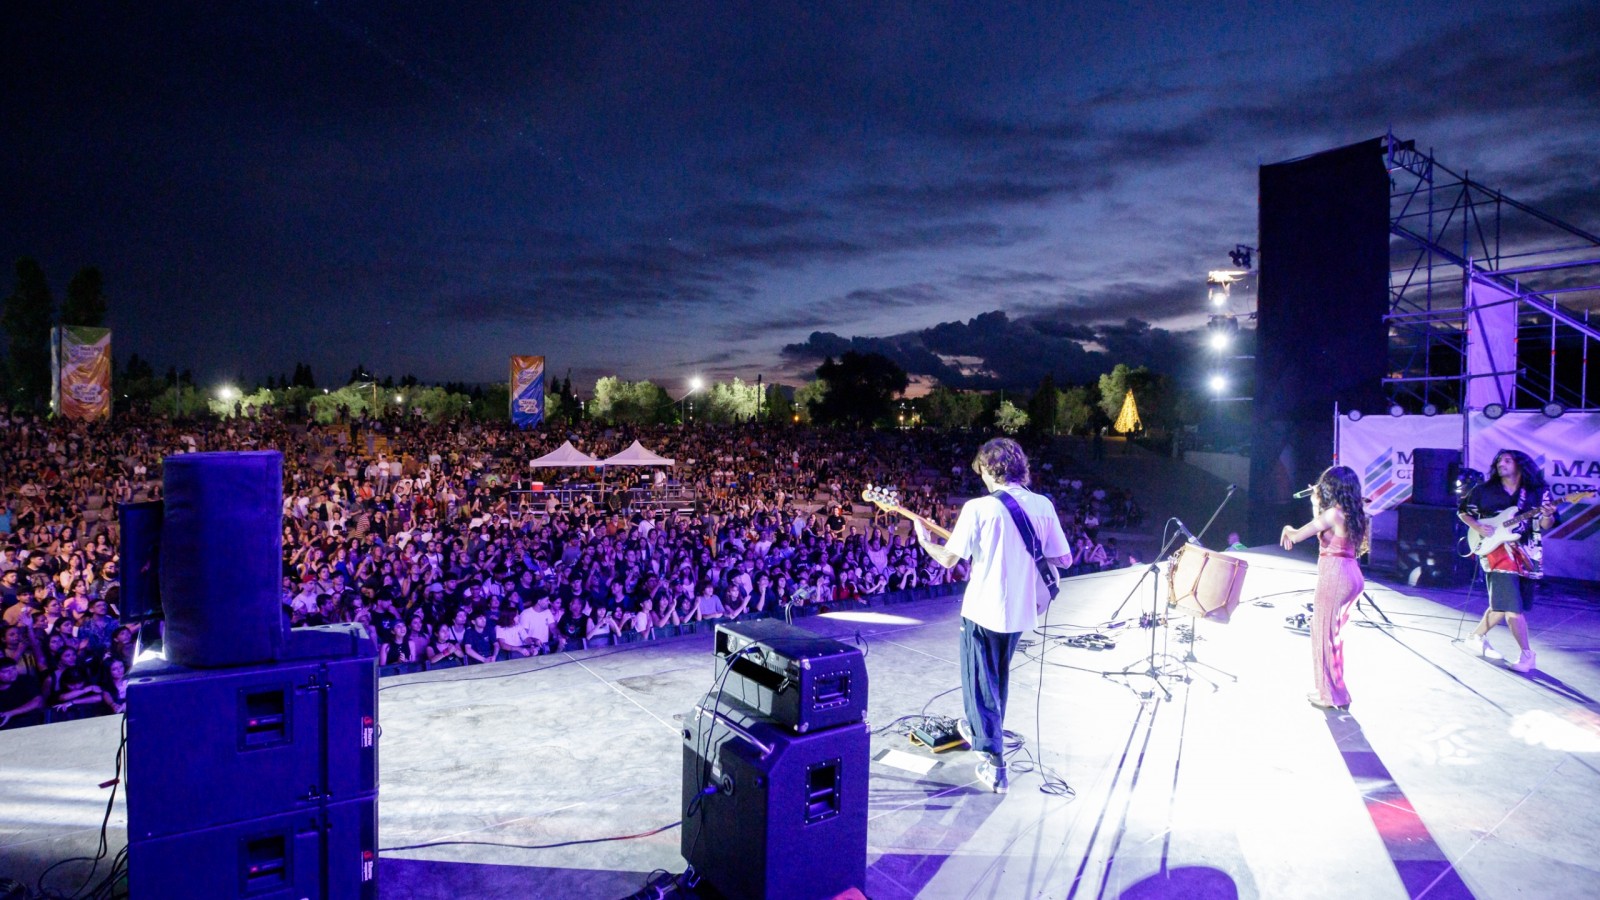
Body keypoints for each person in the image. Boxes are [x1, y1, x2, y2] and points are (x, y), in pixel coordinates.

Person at [913, 438, 1072, 794]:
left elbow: (950, 559)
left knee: (977, 681)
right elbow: (1064, 559)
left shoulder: (979, 508)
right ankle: (985, 728)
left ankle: (993, 759)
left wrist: (925, 543)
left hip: (984, 609)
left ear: (989, 468)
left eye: (981, 471)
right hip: (1022, 610)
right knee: (996, 678)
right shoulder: (1043, 505)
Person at [1456, 450, 1556, 673]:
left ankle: (1476, 637)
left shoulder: (1538, 492)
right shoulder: (1484, 490)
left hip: (1528, 554)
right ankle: (1527, 654)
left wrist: (1548, 515)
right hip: (1496, 553)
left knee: (1502, 604)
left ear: (1520, 465)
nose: (1501, 464)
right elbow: (1463, 512)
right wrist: (1477, 526)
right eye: (1499, 460)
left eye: (1507, 460)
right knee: (1512, 608)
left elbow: (1547, 525)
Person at [1280, 465, 1369, 710]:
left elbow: (1298, 535)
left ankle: (1328, 695)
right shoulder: (1354, 512)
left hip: (1336, 574)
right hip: (1352, 575)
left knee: (1322, 634)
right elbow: (1322, 523)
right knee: (1333, 636)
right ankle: (1337, 692)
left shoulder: (1333, 514)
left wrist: (1288, 528)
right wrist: (1315, 502)